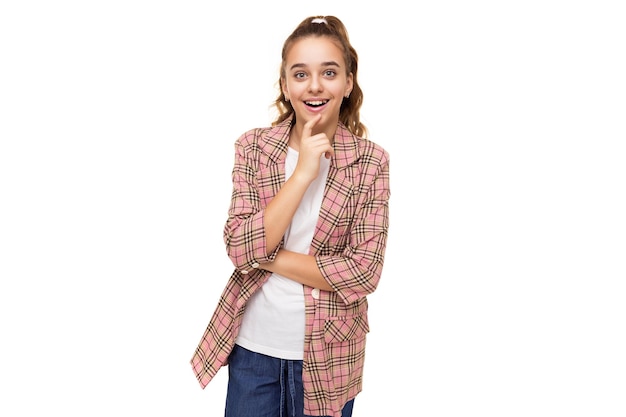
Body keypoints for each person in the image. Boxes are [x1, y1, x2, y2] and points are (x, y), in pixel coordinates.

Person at [190, 15, 390, 417]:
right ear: (285, 84)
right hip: (253, 352)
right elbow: (238, 244)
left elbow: (364, 271)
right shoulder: (254, 147)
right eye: (301, 74)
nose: (314, 85)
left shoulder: (371, 162)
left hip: (330, 355)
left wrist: (265, 255)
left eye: (329, 72)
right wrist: (301, 175)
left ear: (348, 82)